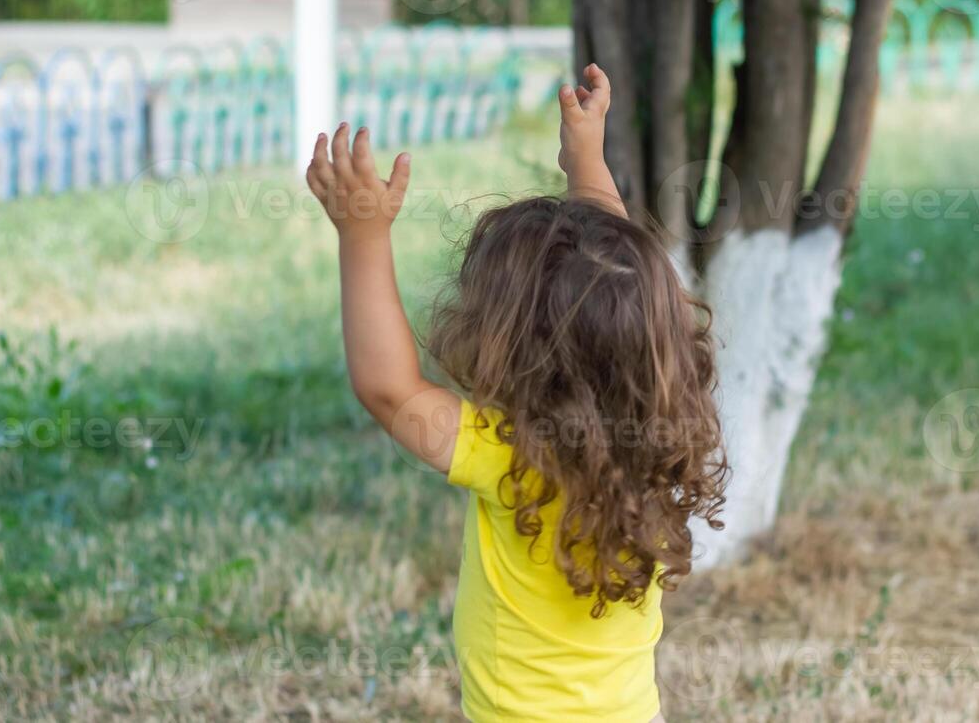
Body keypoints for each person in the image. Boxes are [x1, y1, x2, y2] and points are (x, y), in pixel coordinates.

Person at [304, 63, 729, 722]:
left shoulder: (514, 457)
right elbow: (618, 284)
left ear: (520, 351)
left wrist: (363, 236)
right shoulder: (654, 442)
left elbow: (389, 389)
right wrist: (586, 159)